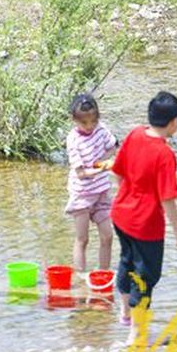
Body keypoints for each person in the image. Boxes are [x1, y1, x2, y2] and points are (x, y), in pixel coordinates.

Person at [110, 91, 177, 344]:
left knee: (126, 262)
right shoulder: (165, 155)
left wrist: (127, 195)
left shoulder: (134, 134)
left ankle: (124, 315)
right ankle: (137, 334)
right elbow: (167, 198)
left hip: (120, 214)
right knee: (145, 277)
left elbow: (118, 172)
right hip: (145, 225)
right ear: (174, 122)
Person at [65, 93, 118, 272]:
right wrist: (102, 168)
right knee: (83, 239)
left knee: (107, 236)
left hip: (101, 193)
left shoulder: (101, 129)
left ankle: (103, 275)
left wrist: (101, 160)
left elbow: (112, 147)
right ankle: (80, 278)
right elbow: (80, 173)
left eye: (93, 122)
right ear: (74, 120)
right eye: (84, 123)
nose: (89, 127)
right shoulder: (73, 140)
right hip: (82, 194)